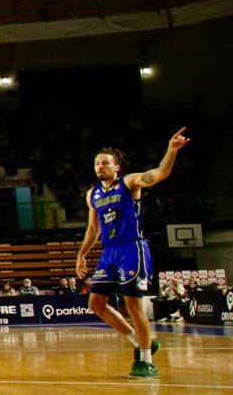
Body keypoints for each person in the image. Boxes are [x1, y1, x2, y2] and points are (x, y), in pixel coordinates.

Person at [77, 130, 188, 379]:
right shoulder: (92, 194)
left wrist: (171, 150)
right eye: (96, 163)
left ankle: (146, 361)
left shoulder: (129, 183)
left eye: (105, 162)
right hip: (109, 252)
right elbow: (93, 228)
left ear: (116, 167)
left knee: (133, 305)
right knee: (95, 304)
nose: (100, 166)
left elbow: (160, 174)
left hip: (132, 248)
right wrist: (82, 254)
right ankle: (138, 340)